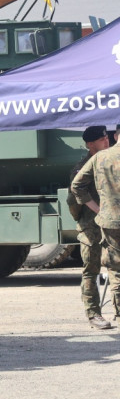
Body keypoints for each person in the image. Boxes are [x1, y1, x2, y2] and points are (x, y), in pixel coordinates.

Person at [68, 124, 120, 330]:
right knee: (91, 268)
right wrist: (93, 212)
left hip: (109, 223)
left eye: (107, 138)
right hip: (90, 225)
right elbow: (73, 199)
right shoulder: (83, 166)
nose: (106, 141)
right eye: (101, 140)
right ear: (90, 144)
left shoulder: (108, 159)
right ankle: (93, 314)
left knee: (115, 267)